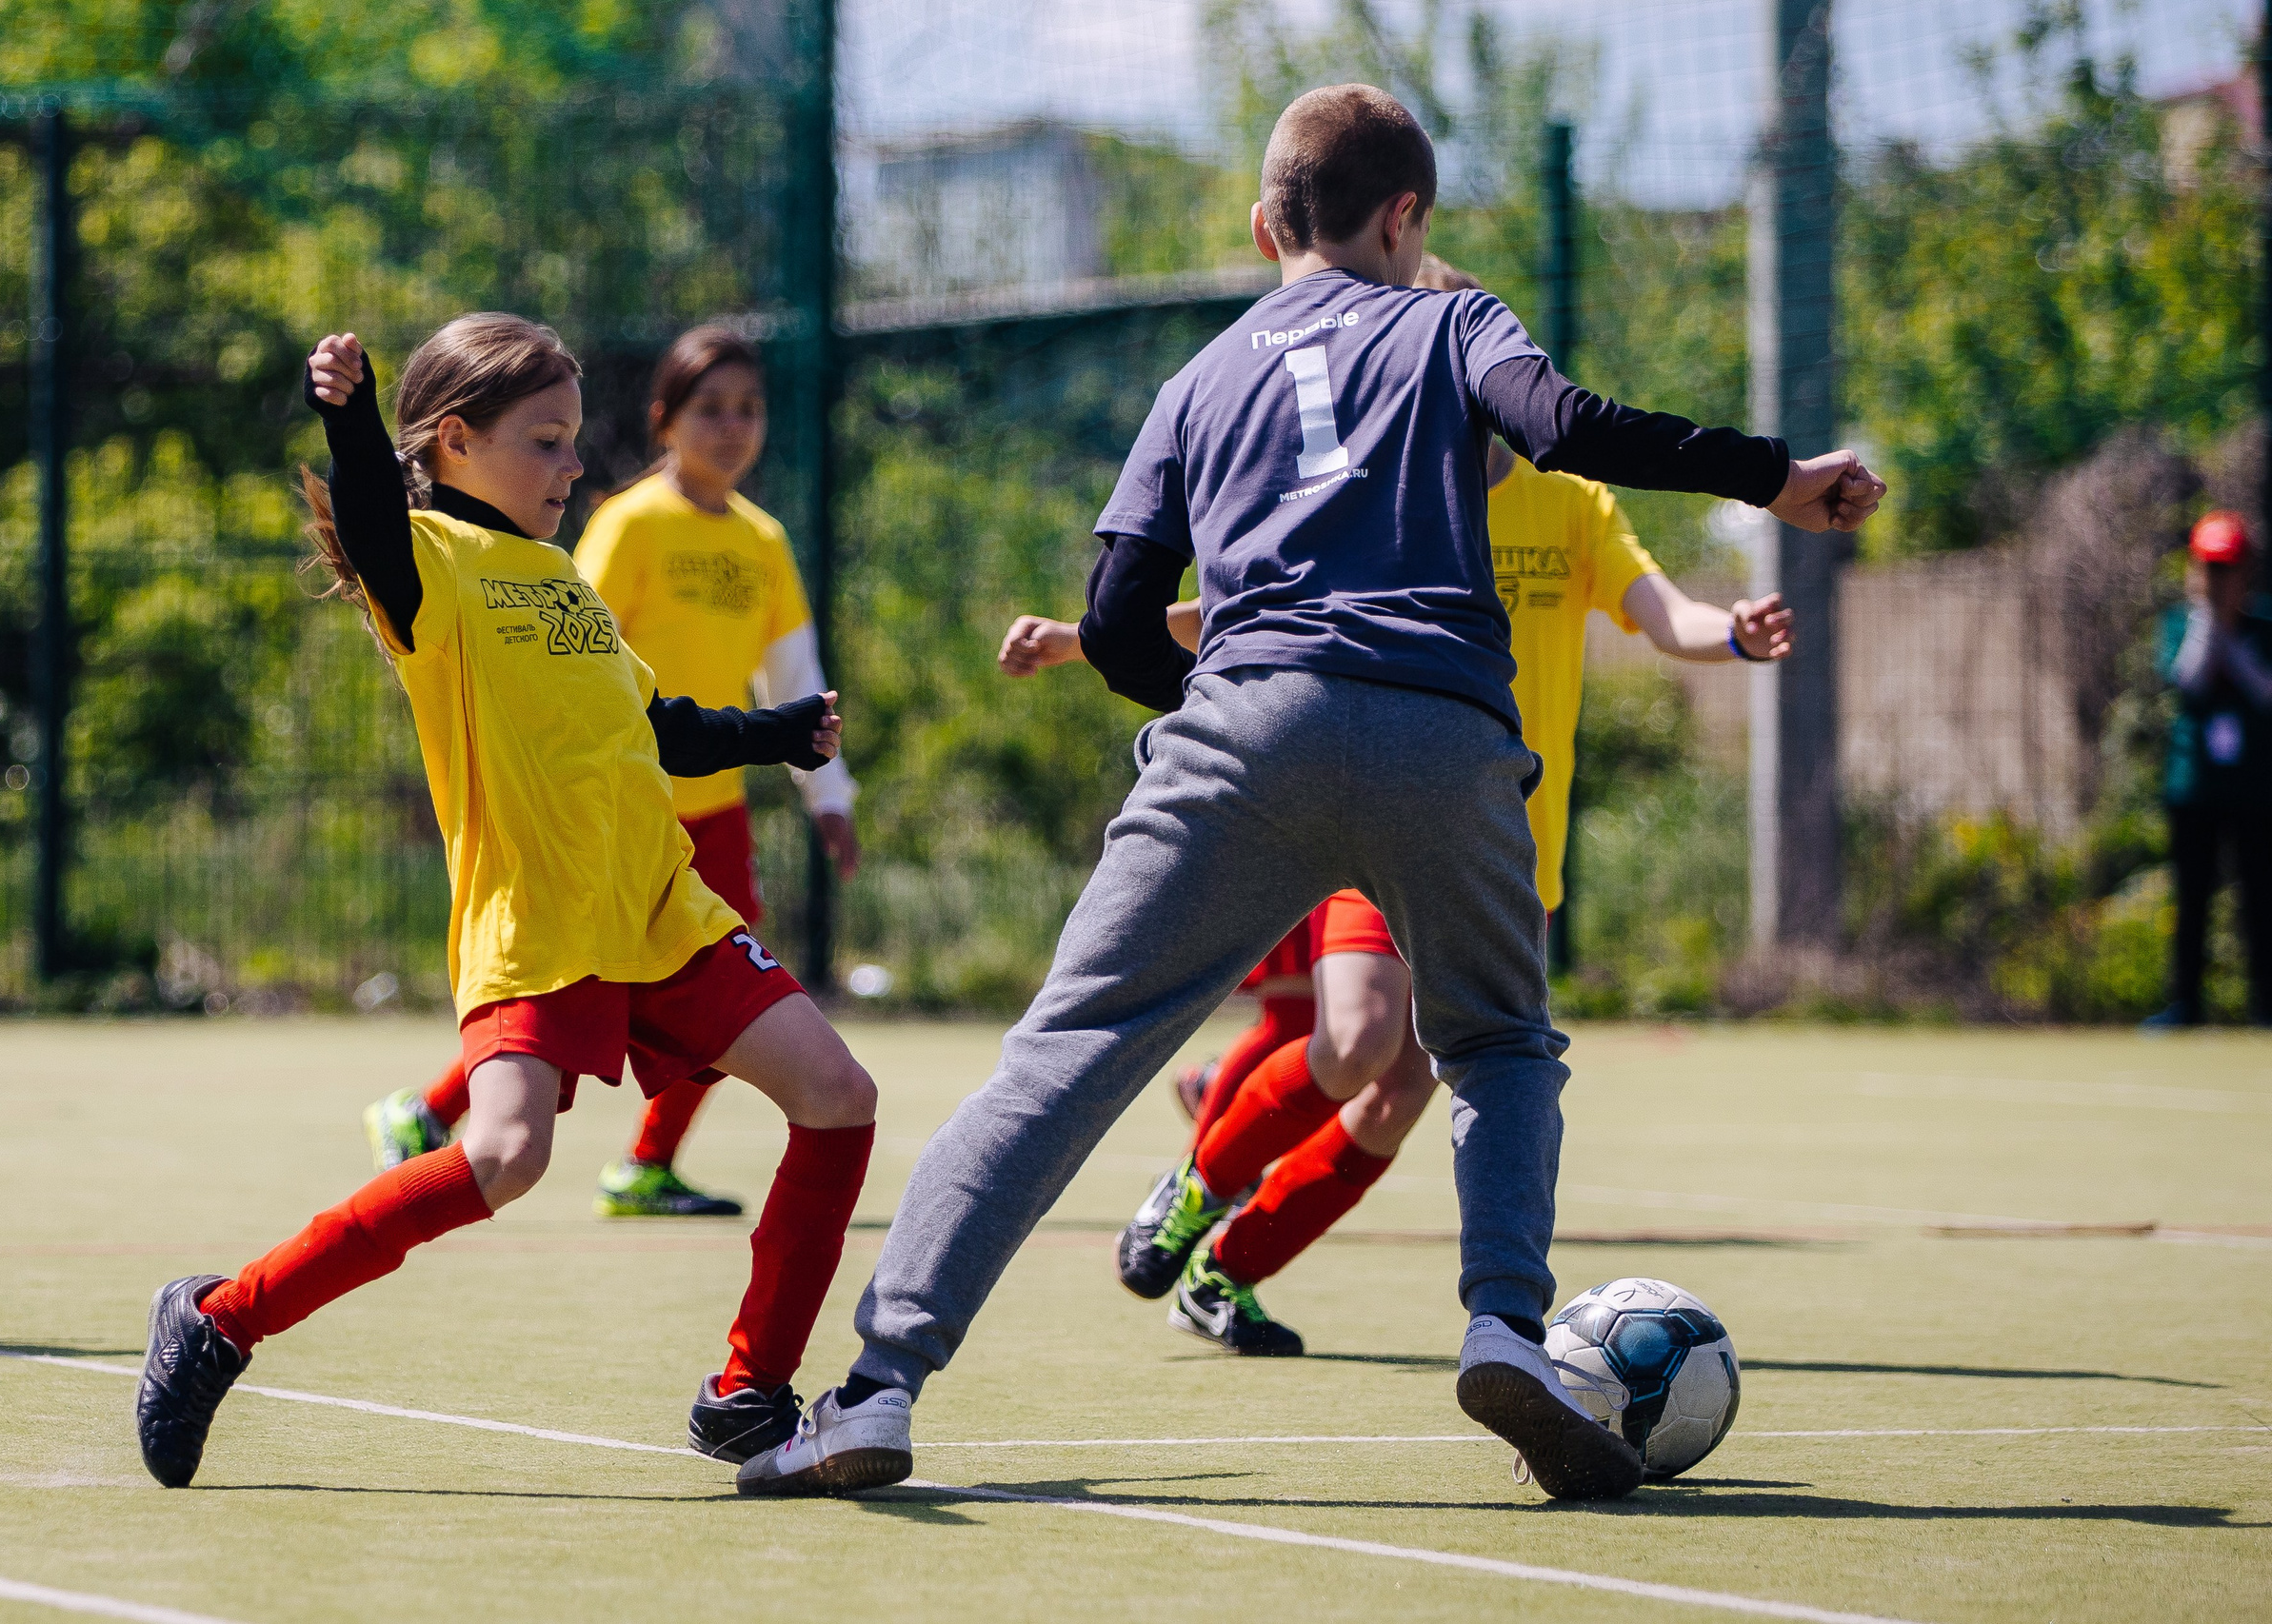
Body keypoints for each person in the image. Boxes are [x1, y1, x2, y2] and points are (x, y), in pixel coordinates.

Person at [735, 86, 1880, 1503]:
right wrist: (1781, 478)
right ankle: (1502, 1323)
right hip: (1447, 736)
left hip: (1243, 729)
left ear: (1264, 219)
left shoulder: (1195, 383)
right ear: (1409, 218)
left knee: (1064, 1052)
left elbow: (1115, 613)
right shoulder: (1457, 323)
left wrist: (1218, 718)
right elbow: (1571, 426)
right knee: (1504, 1045)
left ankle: (877, 1391)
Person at [134, 315, 879, 1489]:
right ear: (455, 442)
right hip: (537, 917)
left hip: (658, 909)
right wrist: (348, 416)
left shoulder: (563, 580)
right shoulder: (427, 564)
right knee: (506, 1152)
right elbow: (374, 518)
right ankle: (222, 1318)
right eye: (545, 441)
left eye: (576, 439)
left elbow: (658, 725)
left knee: (838, 1096)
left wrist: (776, 735)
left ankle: (748, 1394)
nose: (573, 465)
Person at [1000, 272, 1796, 1354]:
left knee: (1397, 1097)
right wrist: (1085, 635)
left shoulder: (1570, 502)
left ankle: (1228, 1267)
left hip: (1510, 844)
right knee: (1358, 1035)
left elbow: (1662, 613)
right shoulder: (1388, 493)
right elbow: (1247, 605)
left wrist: (1734, 633)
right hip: (1379, 812)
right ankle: (1198, 1183)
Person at [362, 327, 861, 1218]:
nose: (731, 427)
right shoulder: (626, 524)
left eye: (749, 409)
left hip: (708, 801)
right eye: (709, 408)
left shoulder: (764, 540)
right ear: (664, 421)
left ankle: (646, 1160)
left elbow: (792, 671)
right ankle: (439, 1109)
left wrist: (825, 788)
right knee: (562, 986)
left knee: (733, 998)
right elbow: (564, 653)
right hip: (607, 806)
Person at [2145, 509, 2272, 1027]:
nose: (2221, 580)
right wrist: (2209, 624)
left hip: (2254, 789)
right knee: (2193, 899)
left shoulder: (2264, 626)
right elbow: (2190, 682)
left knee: (2261, 900)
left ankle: (2266, 1005)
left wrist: (2233, 638)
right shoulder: (2180, 623)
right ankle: (2186, 1005)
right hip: (2193, 787)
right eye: (2211, 568)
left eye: (2230, 568)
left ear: (2247, 571)